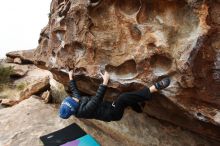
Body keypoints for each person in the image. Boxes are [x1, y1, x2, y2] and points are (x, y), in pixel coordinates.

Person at [59, 69, 170, 122]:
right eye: (73, 100)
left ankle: (137, 107)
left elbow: (75, 91)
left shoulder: (76, 102)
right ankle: (153, 88)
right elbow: (97, 99)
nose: (74, 97)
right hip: (112, 114)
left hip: (107, 106)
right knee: (123, 98)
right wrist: (105, 81)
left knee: (126, 99)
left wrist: (70, 77)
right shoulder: (84, 111)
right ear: (74, 107)